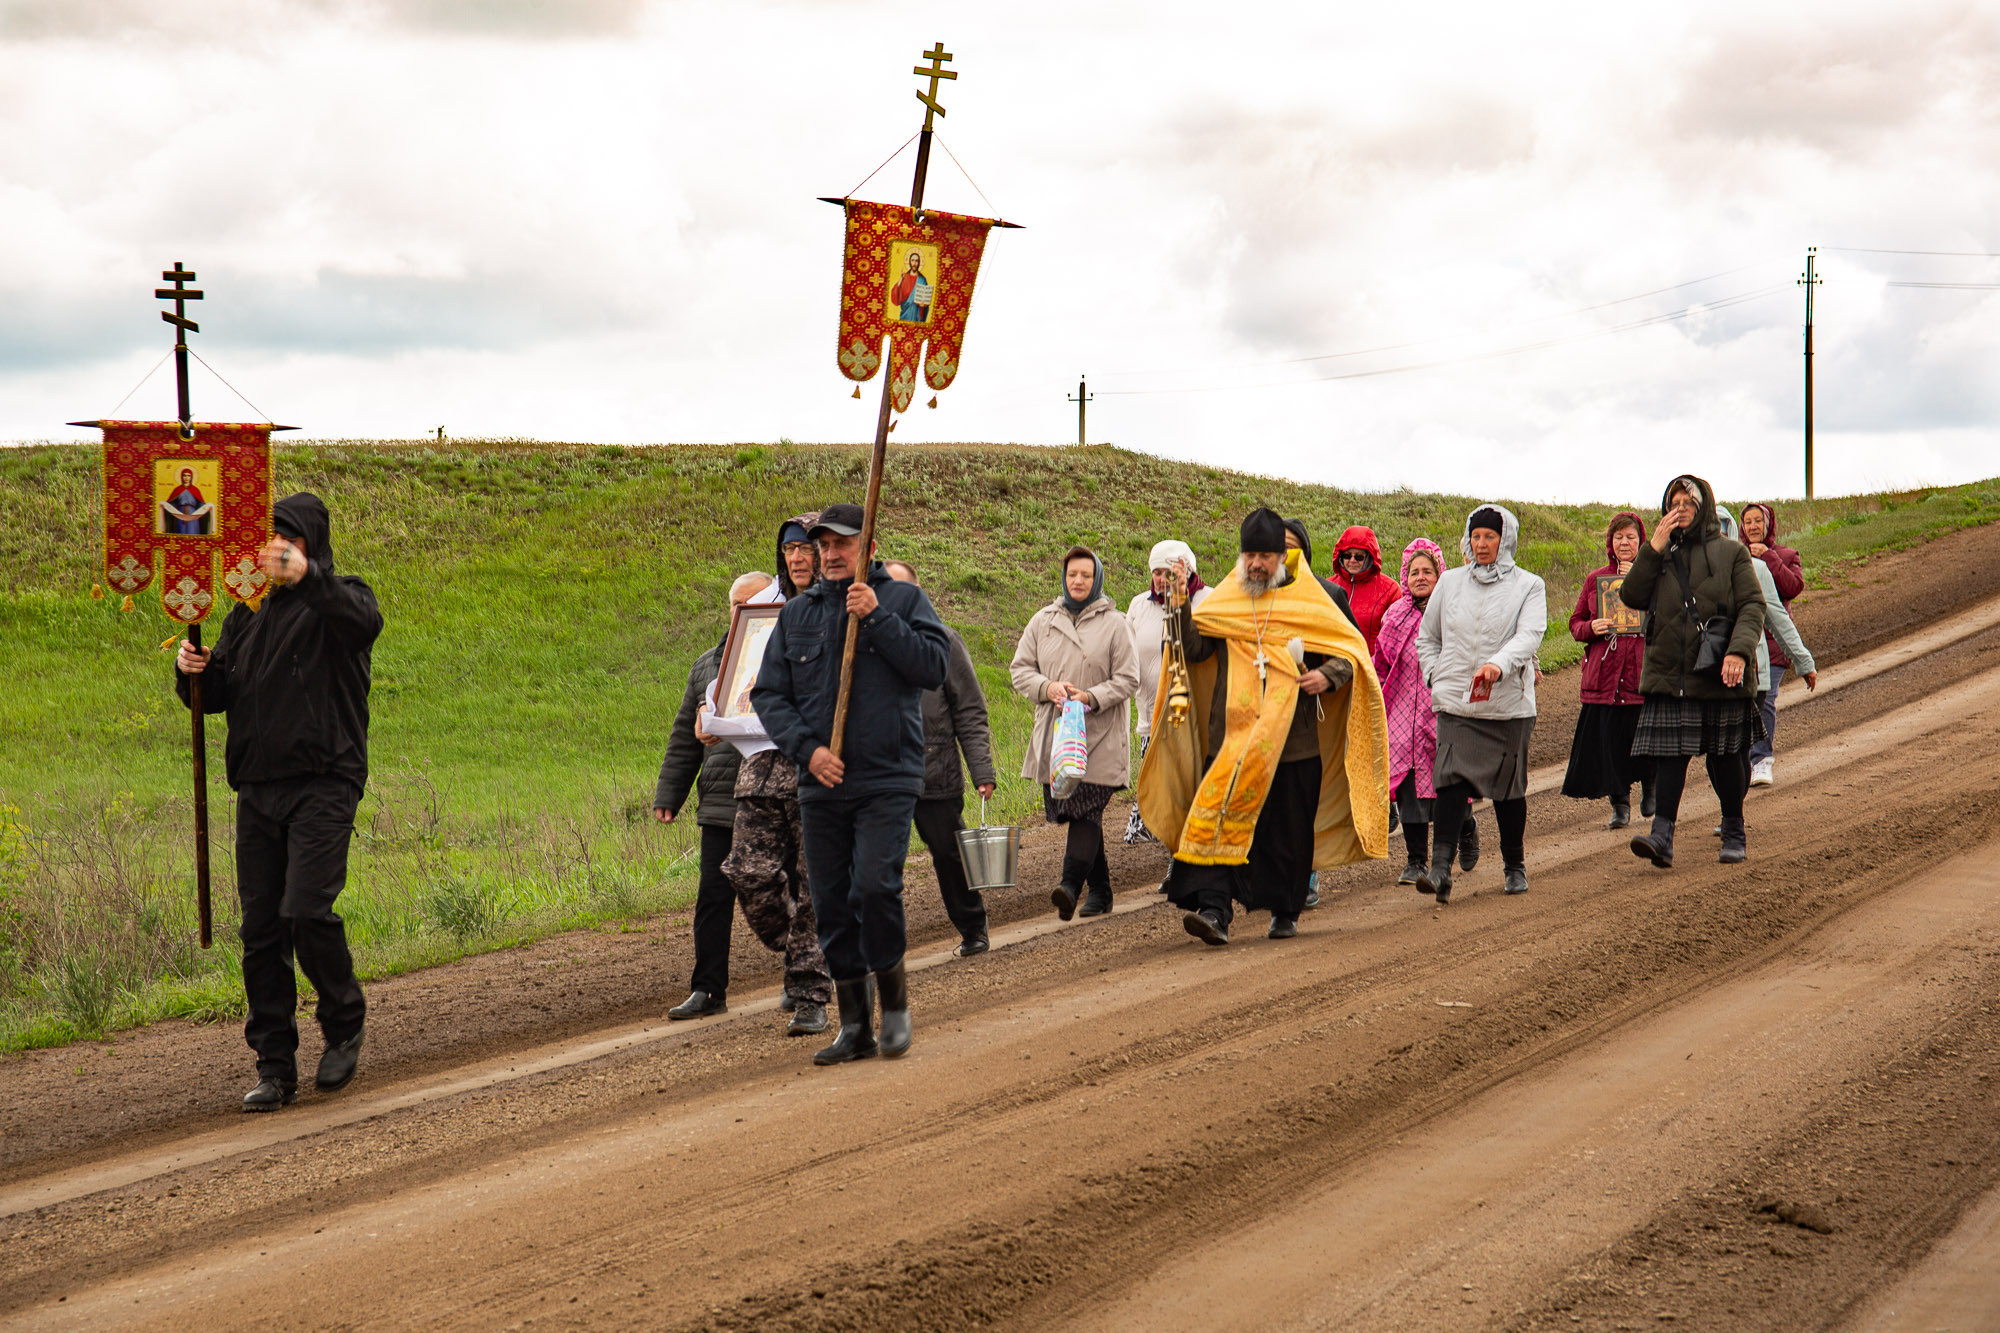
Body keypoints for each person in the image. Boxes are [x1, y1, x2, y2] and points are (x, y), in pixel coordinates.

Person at [173, 493, 382, 1112]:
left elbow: (362, 623)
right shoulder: (247, 613)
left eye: (289, 540)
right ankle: (274, 1066)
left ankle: (343, 1022)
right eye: (271, 540)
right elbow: (218, 696)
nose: (276, 551)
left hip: (325, 781)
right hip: (258, 790)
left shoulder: (341, 598)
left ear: (311, 546)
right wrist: (195, 671)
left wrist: (308, 576)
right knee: (262, 930)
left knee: (307, 911)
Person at [752, 503, 950, 1064]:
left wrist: (878, 617)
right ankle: (854, 1025)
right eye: (824, 545)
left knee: (874, 887)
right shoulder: (799, 614)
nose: (831, 554)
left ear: (868, 546)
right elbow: (769, 694)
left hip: (887, 775)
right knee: (833, 904)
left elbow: (932, 668)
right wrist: (809, 751)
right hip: (822, 784)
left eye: (842, 543)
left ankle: (895, 1009)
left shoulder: (902, 600)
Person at [1138, 507, 1389, 944]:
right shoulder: (1227, 599)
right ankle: (1214, 910)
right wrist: (1179, 606)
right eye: (1249, 555)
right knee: (1215, 817)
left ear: (1281, 557)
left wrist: (1327, 675)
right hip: (1230, 738)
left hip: (1293, 743)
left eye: (1265, 556)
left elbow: (1352, 653)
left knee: (1286, 836)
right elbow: (1193, 652)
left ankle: (1285, 911)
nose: (1256, 564)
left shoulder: (1316, 597)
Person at [717, 514, 835, 1036]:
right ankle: (809, 950)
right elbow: (733, 677)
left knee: (814, 886)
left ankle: (810, 993)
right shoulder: (762, 612)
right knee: (748, 872)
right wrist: (709, 711)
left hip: (815, 767)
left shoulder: (838, 610)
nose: (797, 557)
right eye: (789, 549)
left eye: (806, 547)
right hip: (760, 768)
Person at [1620, 476, 1767, 868]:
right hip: (1671, 672)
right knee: (1670, 757)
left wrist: (1738, 652)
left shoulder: (1732, 552)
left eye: (1688, 502)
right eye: (1675, 502)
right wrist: (1652, 549)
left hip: (1718, 670)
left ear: (1704, 507)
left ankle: (1734, 830)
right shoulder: (1660, 553)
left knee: (1726, 757)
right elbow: (1631, 596)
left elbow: (1753, 606)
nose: (1681, 508)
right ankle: (1662, 837)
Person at [654, 571, 773, 1024]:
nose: (741, 611)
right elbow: (685, 736)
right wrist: (671, 793)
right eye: (735, 604)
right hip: (722, 801)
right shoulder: (708, 664)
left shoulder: (788, 656)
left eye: (751, 602)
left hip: (774, 795)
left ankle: (800, 980)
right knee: (712, 898)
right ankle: (707, 989)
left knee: (780, 891)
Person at [1416, 504, 1547, 904]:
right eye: (1476, 536)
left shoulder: (1529, 585)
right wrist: (1435, 675)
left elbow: (1530, 635)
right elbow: (1427, 637)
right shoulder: (1450, 582)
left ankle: (1514, 866)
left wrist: (1498, 666)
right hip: (1456, 701)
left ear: (1505, 540)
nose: (1482, 543)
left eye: (1490, 536)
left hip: (1507, 705)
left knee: (1508, 789)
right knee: (1449, 782)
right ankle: (1440, 870)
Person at [1011, 546, 1141, 921]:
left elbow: (1129, 678)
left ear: (1096, 578)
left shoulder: (1116, 623)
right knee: (1079, 812)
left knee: (1086, 809)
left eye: (1086, 574)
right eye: (1072, 575)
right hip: (1058, 739)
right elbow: (1020, 669)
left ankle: (1068, 887)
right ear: (1064, 578)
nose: (1078, 581)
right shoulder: (1043, 621)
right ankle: (1101, 890)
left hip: (1100, 736)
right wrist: (1047, 687)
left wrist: (1090, 697)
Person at [883, 558, 999, 957]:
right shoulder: (865, 642)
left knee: (949, 854)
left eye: (900, 590)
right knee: (879, 863)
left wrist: (982, 770)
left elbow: (969, 710)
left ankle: (973, 926)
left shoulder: (944, 640)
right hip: (882, 775)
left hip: (935, 771)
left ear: (916, 594)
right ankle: (882, 948)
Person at [1712, 507, 1819, 837]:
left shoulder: (1755, 568)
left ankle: (1733, 814)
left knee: (1735, 748)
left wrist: (1803, 661)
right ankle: (1731, 811)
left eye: (1722, 528)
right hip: (1710, 674)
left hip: (1752, 673)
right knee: (1719, 751)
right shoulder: (1690, 571)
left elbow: (1777, 617)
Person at [1560, 513, 1656, 829]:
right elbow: (1575, 623)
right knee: (1610, 744)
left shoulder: (1655, 575)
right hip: (1605, 676)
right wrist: (1592, 627)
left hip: (1641, 674)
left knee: (1644, 739)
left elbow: (1666, 617)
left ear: (1641, 541)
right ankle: (1620, 804)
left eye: (1630, 537)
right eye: (1618, 537)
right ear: (1610, 542)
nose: (1624, 543)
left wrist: (1639, 580)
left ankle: (1651, 785)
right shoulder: (1595, 579)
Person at [1123, 539, 1210, 844]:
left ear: (1187, 570)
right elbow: (1128, 656)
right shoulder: (1139, 606)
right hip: (1152, 714)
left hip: (1194, 716)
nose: (1162, 579)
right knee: (1156, 784)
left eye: (1169, 572)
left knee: (1188, 785)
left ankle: (1183, 851)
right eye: (1157, 572)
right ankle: (1162, 838)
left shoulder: (1208, 600)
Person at [1373, 538, 1446, 886]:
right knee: (1406, 784)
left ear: (1439, 574)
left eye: (1427, 571)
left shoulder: (1450, 611)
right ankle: (1416, 861)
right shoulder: (1395, 615)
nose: (1420, 577)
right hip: (1402, 714)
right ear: (1405, 576)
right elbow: (1381, 663)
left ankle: (1465, 828)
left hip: (1441, 710)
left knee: (1448, 779)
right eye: (1414, 572)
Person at [1738, 502, 1805, 787]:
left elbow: (1793, 587)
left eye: (1758, 521)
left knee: (1765, 698)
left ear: (1768, 524)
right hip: (1745, 640)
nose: (1753, 526)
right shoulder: (1735, 555)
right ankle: (1743, 762)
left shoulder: (1787, 555)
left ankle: (1762, 759)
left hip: (1774, 642)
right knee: (1743, 701)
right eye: (1748, 521)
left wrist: (1768, 558)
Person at [1331, 525, 1403, 653]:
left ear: (1369, 557)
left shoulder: (1390, 590)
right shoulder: (1328, 586)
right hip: (1333, 661)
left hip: (1372, 663)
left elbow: (1397, 636)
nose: (1352, 560)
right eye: (1347, 555)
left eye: (1359, 557)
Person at [161, 467, 214, 535]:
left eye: (188, 476)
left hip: (193, 514)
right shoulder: (177, 490)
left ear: (191, 477)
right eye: (184, 475)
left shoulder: (195, 490)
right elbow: (172, 504)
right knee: (180, 532)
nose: (186, 478)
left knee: (193, 532)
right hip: (180, 514)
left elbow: (200, 504)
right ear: (181, 477)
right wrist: (165, 506)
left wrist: (207, 508)